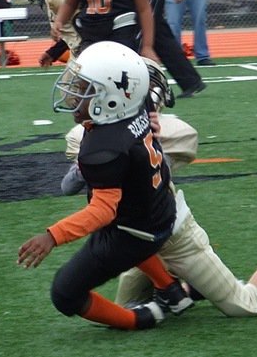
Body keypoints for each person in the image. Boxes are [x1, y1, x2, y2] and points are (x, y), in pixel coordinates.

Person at [105, 105, 257, 316]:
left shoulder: (161, 131)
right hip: (141, 238)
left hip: (174, 236)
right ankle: (187, 289)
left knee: (245, 305)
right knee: (129, 307)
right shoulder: (105, 130)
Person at [17, 43, 175, 332]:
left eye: (85, 89)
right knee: (117, 218)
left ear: (113, 98)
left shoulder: (103, 147)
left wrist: (52, 236)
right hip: (159, 207)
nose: (73, 94)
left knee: (64, 293)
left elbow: (102, 211)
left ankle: (141, 318)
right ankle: (171, 290)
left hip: (136, 231)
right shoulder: (134, 104)